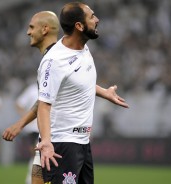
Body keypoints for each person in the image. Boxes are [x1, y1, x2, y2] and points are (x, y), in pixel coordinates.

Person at [35, 2, 129, 184]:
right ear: (79, 26)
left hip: (82, 142)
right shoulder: (54, 61)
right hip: (61, 145)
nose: (97, 19)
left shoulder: (83, 49)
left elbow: (75, 83)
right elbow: (44, 105)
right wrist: (46, 142)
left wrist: (104, 93)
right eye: (92, 16)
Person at [2, 11, 59, 184]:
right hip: (44, 135)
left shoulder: (56, 58)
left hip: (58, 137)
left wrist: (19, 124)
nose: (28, 32)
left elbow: (43, 102)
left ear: (45, 29)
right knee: (35, 177)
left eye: (31, 27)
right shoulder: (48, 59)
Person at [16, 80, 39, 184]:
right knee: (36, 154)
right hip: (35, 128)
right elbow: (19, 104)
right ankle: (30, 180)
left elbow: (19, 104)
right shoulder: (32, 90)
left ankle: (30, 180)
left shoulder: (32, 90)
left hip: (43, 128)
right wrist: (27, 118)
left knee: (37, 154)